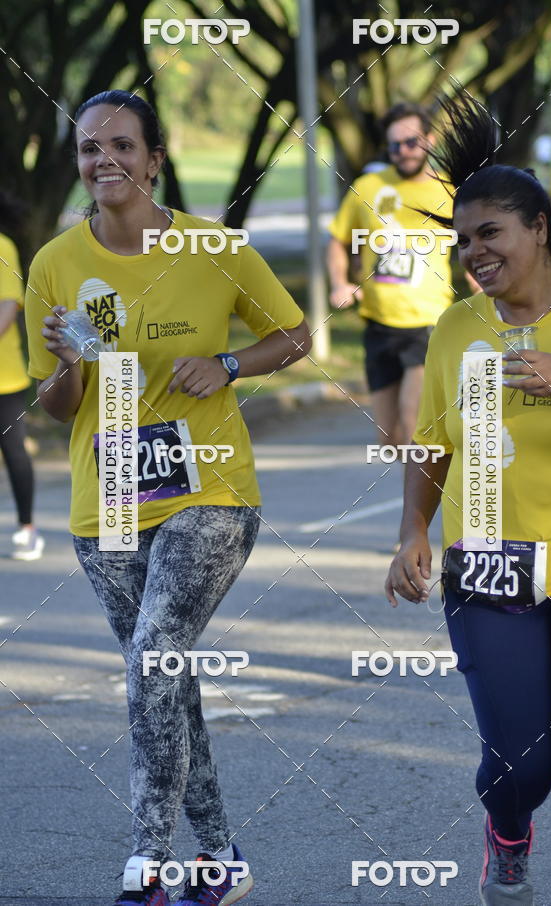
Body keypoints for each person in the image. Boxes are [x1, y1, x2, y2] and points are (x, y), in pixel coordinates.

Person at [24, 90, 311, 906]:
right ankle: (220, 859)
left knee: (154, 654)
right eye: (88, 148)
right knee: (167, 678)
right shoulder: (55, 265)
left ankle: (147, 863)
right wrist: (70, 366)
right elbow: (56, 407)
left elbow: (294, 335)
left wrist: (227, 365)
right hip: (109, 496)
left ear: (154, 160)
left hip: (211, 487)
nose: (102, 160)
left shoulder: (216, 247)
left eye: (121, 145)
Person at [385, 95, 551, 906]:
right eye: (462, 240)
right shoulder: (454, 329)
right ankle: (508, 828)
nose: (472, 253)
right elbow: (434, 446)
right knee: (523, 761)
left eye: (490, 234)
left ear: (539, 227)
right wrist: (413, 530)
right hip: (490, 566)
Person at [326, 101, 454, 450]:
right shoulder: (368, 187)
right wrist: (340, 282)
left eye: (412, 142)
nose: (404, 152)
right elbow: (338, 241)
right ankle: (422, 490)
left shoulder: (449, 191)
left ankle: (423, 504)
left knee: (414, 423)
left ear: (429, 139)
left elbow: (476, 240)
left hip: (428, 322)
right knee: (389, 439)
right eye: (395, 145)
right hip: (379, 324)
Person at [0, 193, 44, 560]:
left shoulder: (3, 247)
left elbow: (6, 310)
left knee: (14, 452)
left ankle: (27, 529)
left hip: (5, 377)